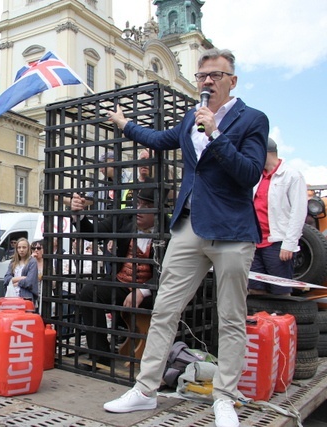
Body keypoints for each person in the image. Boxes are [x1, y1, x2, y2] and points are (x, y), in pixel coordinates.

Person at [104, 48, 268, 427]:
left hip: (231, 230)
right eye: (202, 75)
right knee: (164, 310)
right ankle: (145, 390)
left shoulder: (252, 119)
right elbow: (161, 139)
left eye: (215, 75)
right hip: (189, 228)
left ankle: (225, 398)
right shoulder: (189, 119)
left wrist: (216, 134)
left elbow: (249, 174)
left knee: (230, 317)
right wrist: (125, 124)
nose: (207, 81)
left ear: (232, 80)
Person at [71, 187, 168, 364]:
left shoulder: (169, 229)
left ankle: (158, 360)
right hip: (122, 282)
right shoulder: (125, 217)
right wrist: (79, 214)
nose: (139, 209)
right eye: (138, 203)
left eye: (146, 206)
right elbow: (93, 232)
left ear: (158, 210)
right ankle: (100, 357)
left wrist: (142, 291)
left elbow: (169, 271)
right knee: (89, 292)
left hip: (152, 292)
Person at [249, 138, 306, 296]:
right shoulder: (256, 176)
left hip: (277, 243)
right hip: (255, 241)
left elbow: (298, 212)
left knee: (279, 291)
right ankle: (259, 320)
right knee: (254, 289)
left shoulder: (292, 175)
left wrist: (289, 243)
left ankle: (279, 319)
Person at [3, 238, 38, 303]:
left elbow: (29, 282)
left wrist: (17, 283)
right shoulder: (13, 262)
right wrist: (22, 278)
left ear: (28, 249)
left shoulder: (32, 261)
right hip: (11, 295)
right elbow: (6, 279)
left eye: (24, 247)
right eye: (19, 247)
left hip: (25, 297)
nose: (21, 250)